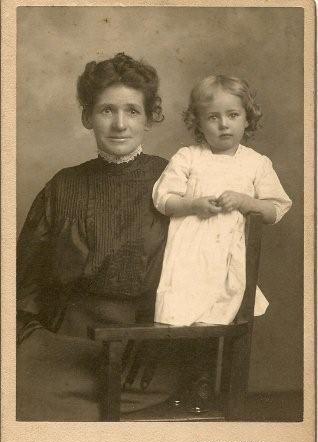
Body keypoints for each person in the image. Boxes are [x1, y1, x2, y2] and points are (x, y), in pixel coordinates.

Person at [16, 53, 171, 421]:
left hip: (145, 350)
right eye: (106, 110)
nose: (119, 124)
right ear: (88, 116)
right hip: (63, 341)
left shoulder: (173, 183)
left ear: (148, 118)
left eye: (132, 111)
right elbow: (27, 283)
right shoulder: (63, 185)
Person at [152, 74, 292, 411]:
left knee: (221, 318)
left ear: (247, 118)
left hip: (229, 258)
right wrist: (193, 204)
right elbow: (163, 198)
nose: (223, 125)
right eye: (212, 117)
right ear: (198, 122)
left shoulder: (256, 163)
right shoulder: (188, 157)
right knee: (186, 321)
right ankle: (181, 389)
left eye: (233, 115)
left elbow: (276, 209)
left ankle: (210, 391)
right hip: (189, 257)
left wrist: (246, 201)